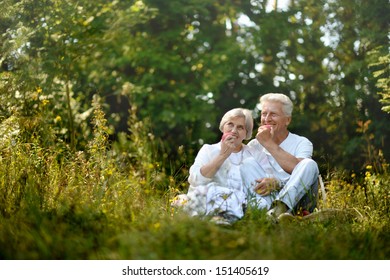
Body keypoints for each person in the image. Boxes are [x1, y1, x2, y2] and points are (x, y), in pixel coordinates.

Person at [241, 93, 320, 222]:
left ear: (287, 120)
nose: (267, 119)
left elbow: (300, 171)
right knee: (247, 163)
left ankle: (280, 209)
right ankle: (262, 213)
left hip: (297, 204)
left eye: (273, 114)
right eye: (264, 114)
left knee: (309, 164)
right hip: (265, 202)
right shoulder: (254, 145)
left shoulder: (302, 142)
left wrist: (268, 143)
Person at [172, 108, 255, 225]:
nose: (234, 130)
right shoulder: (208, 149)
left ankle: (222, 217)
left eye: (240, 127)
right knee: (211, 191)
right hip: (210, 196)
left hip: (239, 200)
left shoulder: (253, 153)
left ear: (246, 133)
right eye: (230, 124)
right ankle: (219, 218)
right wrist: (222, 155)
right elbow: (195, 180)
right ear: (223, 127)